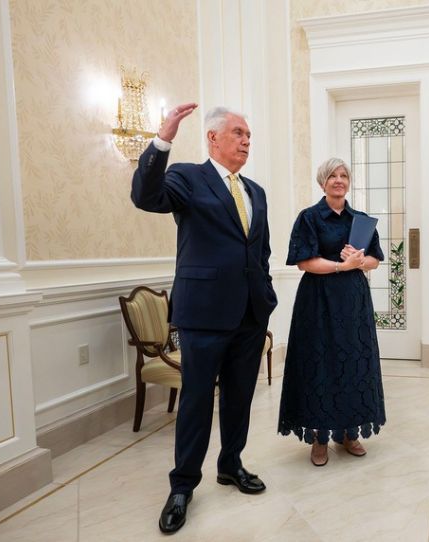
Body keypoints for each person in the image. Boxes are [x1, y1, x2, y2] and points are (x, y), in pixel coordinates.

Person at [131, 104, 277, 534]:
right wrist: (163, 140)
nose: (246, 141)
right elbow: (145, 197)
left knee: (239, 397)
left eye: (249, 135)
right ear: (213, 137)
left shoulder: (256, 192)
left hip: (250, 314)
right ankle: (182, 486)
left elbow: (261, 251)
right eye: (238, 133)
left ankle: (231, 464)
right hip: (204, 314)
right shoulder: (189, 178)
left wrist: (265, 294)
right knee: (196, 401)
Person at [278, 158, 386, 467]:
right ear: (322, 182)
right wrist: (342, 265)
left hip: (353, 302)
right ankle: (320, 438)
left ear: (348, 182)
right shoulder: (309, 218)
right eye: (332, 176)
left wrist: (359, 261)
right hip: (318, 301)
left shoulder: (361, 220)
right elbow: (304, 262)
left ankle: (349, 433)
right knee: (321, 365)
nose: (339, 180)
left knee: (353, 363)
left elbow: (375, 260)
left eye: (343, 175)